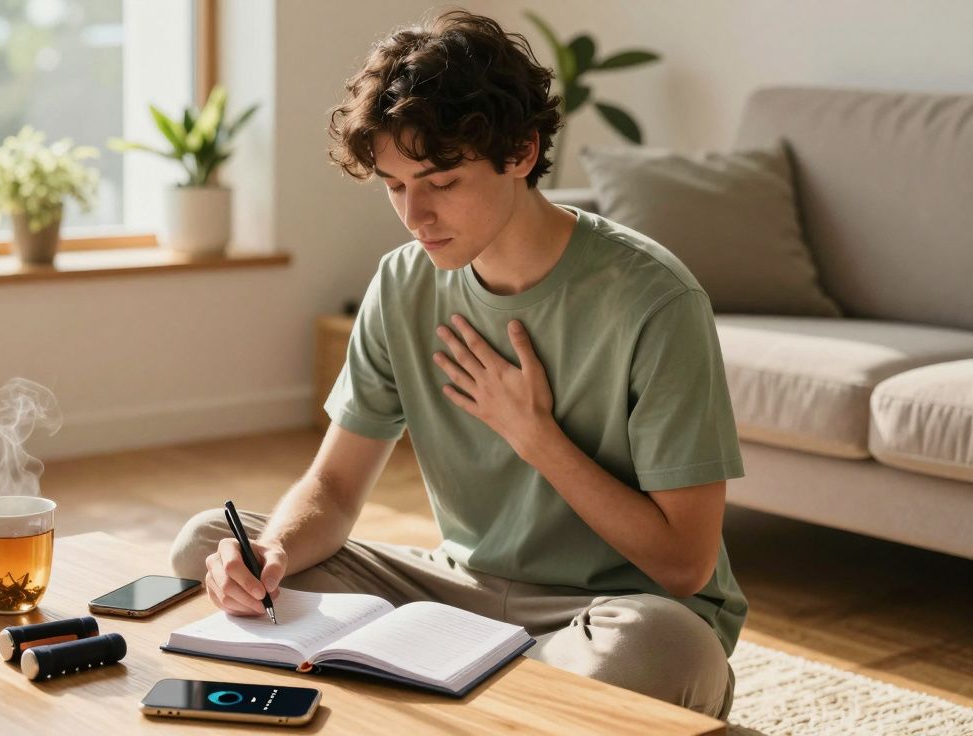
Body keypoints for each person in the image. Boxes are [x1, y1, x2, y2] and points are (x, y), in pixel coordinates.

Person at [170, 9, 745, 719]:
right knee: (210, 543)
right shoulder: (402, 283)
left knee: (667, 652)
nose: (416, 216)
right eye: (394, 185)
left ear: (523, 152)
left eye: (442, 182)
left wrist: (536, 436)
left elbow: (686, 565)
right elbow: (336, 486)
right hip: (462, 593)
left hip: (615, 608)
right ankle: (504, 692)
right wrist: (271, 555)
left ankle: (470, 683)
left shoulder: (654, 299)